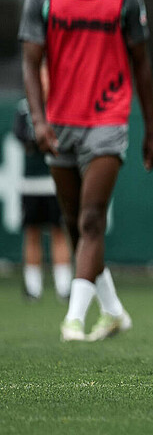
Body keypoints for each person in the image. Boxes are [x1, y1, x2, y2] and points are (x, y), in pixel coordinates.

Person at [19, 0, 153, 341]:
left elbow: (142, 65)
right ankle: (114, 311)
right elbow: (29, 63)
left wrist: (151, 129)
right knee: (73, 221)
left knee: (91, 218)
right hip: (59, 124)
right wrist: (39, 120)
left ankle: (74, 319)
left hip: (107, 120)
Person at [13, 65, 72, 302]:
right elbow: (21, 136)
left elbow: (64, 138)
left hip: (55, 181)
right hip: (31, 184)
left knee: (59, 232)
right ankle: (33, 287)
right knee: (32, 233)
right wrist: (38, 139)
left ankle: (64, 287)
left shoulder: (61, 106)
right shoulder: (24, 108)